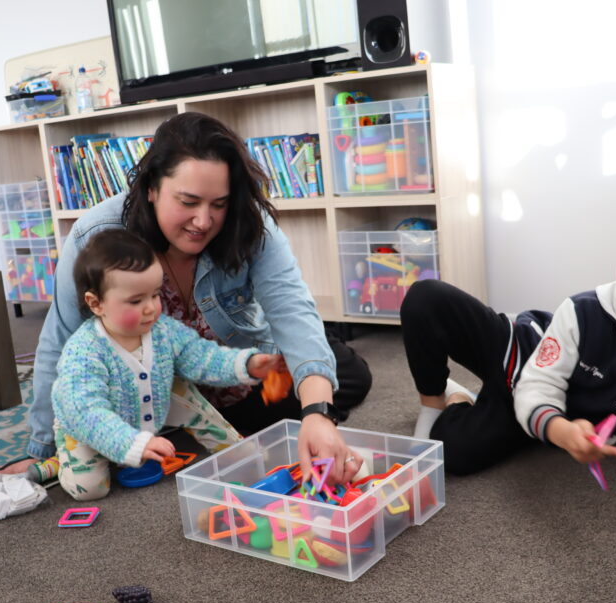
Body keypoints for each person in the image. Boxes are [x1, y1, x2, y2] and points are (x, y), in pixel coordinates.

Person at [25, 112, 371, 484]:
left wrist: (318, 413)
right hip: (152, 393)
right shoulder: (96, 236)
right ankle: (167, 437)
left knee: (343, 373)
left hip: (235, 372)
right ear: (151, 188)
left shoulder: (249, 224)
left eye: (218, 204)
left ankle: (244, 428)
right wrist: (43, 448)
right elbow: (59, 343)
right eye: (188, 202)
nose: (203, 221)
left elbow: (293, 311)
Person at [401, 208, 616, 478]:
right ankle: (434, 403)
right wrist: (561, 432)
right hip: (520, 351)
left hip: (540, 409)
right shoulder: (583, 311)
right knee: (426, 297)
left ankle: (458, 396)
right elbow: (539, 383)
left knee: (454, 453)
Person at [52, 229, 281, 500]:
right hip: (88, 422)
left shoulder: (163, 330)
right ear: (96, 303)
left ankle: (234, 448)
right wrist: (134, 443)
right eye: (136, 301)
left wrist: (246, 364)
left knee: (188, 394)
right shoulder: (84, 352)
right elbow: (87, 411)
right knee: (89, 490)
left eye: (155, 294)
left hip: (156, 395)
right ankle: (60, 461)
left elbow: (202, 356)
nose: (150, 308)